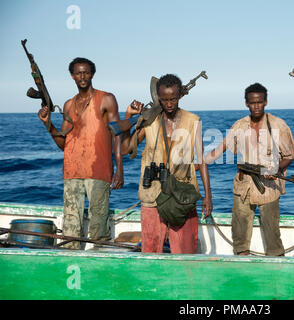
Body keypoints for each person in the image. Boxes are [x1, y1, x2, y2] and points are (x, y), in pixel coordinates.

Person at [38, 57, 124, 249]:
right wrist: (47, 123)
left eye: (86, 72)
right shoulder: (69, 105)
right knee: (70, 231)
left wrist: (119, 169)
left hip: (98, 171)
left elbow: (117, 134)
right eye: (78, 73)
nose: (82, 76)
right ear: (72, 76)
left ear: (92, 74)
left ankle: (99, 267)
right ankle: (70, 266)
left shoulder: (106, 99)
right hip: (72, 172)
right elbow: (64, 144)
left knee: (99, 228)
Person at [121, 74, 213, 254]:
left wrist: (207, 196)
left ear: (180, 96)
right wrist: (128, 115)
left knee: (185, 249)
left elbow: (201, 160)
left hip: (182, 193)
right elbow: (126, 148)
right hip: (152, 192)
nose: (169, 104)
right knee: (151, 248)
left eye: (173, 99)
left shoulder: (193, 120)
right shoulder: (149, 120)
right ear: (158, 98)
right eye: (164, 100)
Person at [206, 83, 294, 256]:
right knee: (239, 234)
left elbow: (289, 155)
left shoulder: (278, 125)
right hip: (243, 185)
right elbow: (220, 149)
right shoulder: (239, 125)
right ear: (246, 103)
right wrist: (199, 163)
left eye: (260, 102)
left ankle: (276, 267)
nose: (256, 106)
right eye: (252, 103)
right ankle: (242, 265)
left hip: (268, 187)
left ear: (266, 102)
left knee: (272, 234)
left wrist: (276, 170)